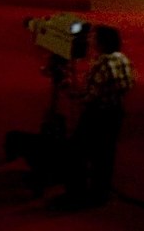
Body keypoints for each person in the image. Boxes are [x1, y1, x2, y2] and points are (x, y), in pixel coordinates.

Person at [55, 25, 136, 209]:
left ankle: (76, 194)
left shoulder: (101, 64)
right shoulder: (123, 59)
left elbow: (91, 96)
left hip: (97, 114)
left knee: (76, 152)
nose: (90, 41)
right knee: (105, 154)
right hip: (115, 113)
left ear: (101, 43)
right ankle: (100, 193)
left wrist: (71, 92)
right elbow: (128, 84)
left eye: (94, 38)